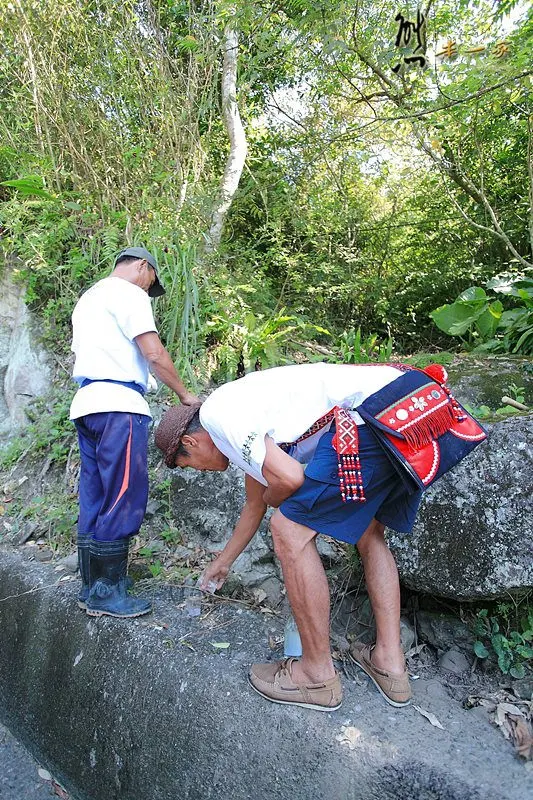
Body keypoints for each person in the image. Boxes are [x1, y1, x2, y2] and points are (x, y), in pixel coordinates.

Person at [154, 362, 427, 711]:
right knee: (369, 530)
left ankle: (315, 676)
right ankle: (390, 663)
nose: (201, 471)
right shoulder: (242, 415)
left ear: (190, 442)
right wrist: (223, 563)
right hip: (411, 410)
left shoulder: (219, 416)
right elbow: (256, 502)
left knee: (287, 529)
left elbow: (288, 481)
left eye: (190, 464)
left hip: (375, 414)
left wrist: (277, 502)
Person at [70, 246, 197, 619]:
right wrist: (185, 394)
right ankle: (107, 593)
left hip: (88, 404)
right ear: (142, 267)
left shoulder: (88, 298)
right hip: (119, 406)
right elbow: (154, 354)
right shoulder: (128, 294)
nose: (148, 290)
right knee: (125, 493)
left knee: (95, 493)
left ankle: (91, 586)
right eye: (151, 282)